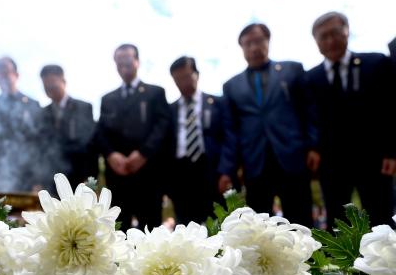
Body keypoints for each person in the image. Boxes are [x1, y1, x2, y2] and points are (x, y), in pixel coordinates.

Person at [218, 23, 318, 227]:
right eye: (247, 44)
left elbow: (309, 111)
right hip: (255, 163)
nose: (254, 47)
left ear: (267, 41)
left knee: (301, 223)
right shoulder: (231, 86)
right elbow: (231, 131)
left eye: (258, 41)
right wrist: (228, 169)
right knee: (259, 227)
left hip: (292, 157)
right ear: (242, 48)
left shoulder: (293, 70)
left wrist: (314, 146)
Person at [305, 12, 396, 227]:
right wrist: (313, 149)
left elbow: (390, 109)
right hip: (332, 163)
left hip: (374, 160)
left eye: (335, 33)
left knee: (381, 218)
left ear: (347, 31)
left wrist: (392, 152)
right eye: (323, 37)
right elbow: (310, 119)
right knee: (339, 222)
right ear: (316, 42)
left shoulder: (376, 63)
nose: (330, 41)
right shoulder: (310, 78)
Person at [96, 44, 170, 230]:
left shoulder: (155, 93)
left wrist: (143, 153)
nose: (123, 65)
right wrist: (111, 155)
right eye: (118, 61)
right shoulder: (107, 99)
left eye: (127, 60)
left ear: (137, 61)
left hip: (149, 176)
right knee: (119, 231)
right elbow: (101, 132)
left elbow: (162, 127)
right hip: (118, 177)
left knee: (151, 230)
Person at [167, 56, 226, 224]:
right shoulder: (169, 110)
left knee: (218, 227)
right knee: (185, 230)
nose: (182, 83)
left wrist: (226, 170)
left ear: (196, 74)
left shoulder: (217, 103)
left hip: (212, 172)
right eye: (177, 79)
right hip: (181, 176)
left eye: (186, 76)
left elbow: (228, 139)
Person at [0, 56, 42, 192]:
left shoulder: (32, 105)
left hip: (28, 180)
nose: (3, 77)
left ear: (16, 74)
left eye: (6, 72)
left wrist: (39, 181)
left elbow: (39, 145)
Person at [38, 64, 97, 190]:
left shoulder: (84, 108)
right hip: (50, 182)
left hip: (79, 179)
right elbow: (40, 149)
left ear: (63, 81)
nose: (49, 88)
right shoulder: (42, 113)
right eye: (45, 85)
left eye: (52, 83)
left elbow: (91, 146)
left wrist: (91, 180)